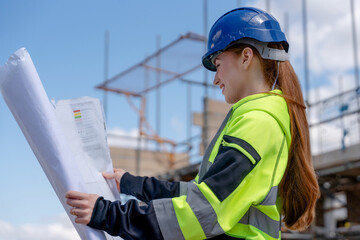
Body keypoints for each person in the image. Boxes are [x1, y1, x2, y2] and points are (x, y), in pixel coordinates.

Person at [66, 7, 320, 240]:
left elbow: (202, 210)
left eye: (218, 65)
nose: (216, 79)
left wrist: (108, 214)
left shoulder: (258, 122)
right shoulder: (257, 118)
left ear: (245, 57)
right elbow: (202, 194)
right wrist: (133, 184)